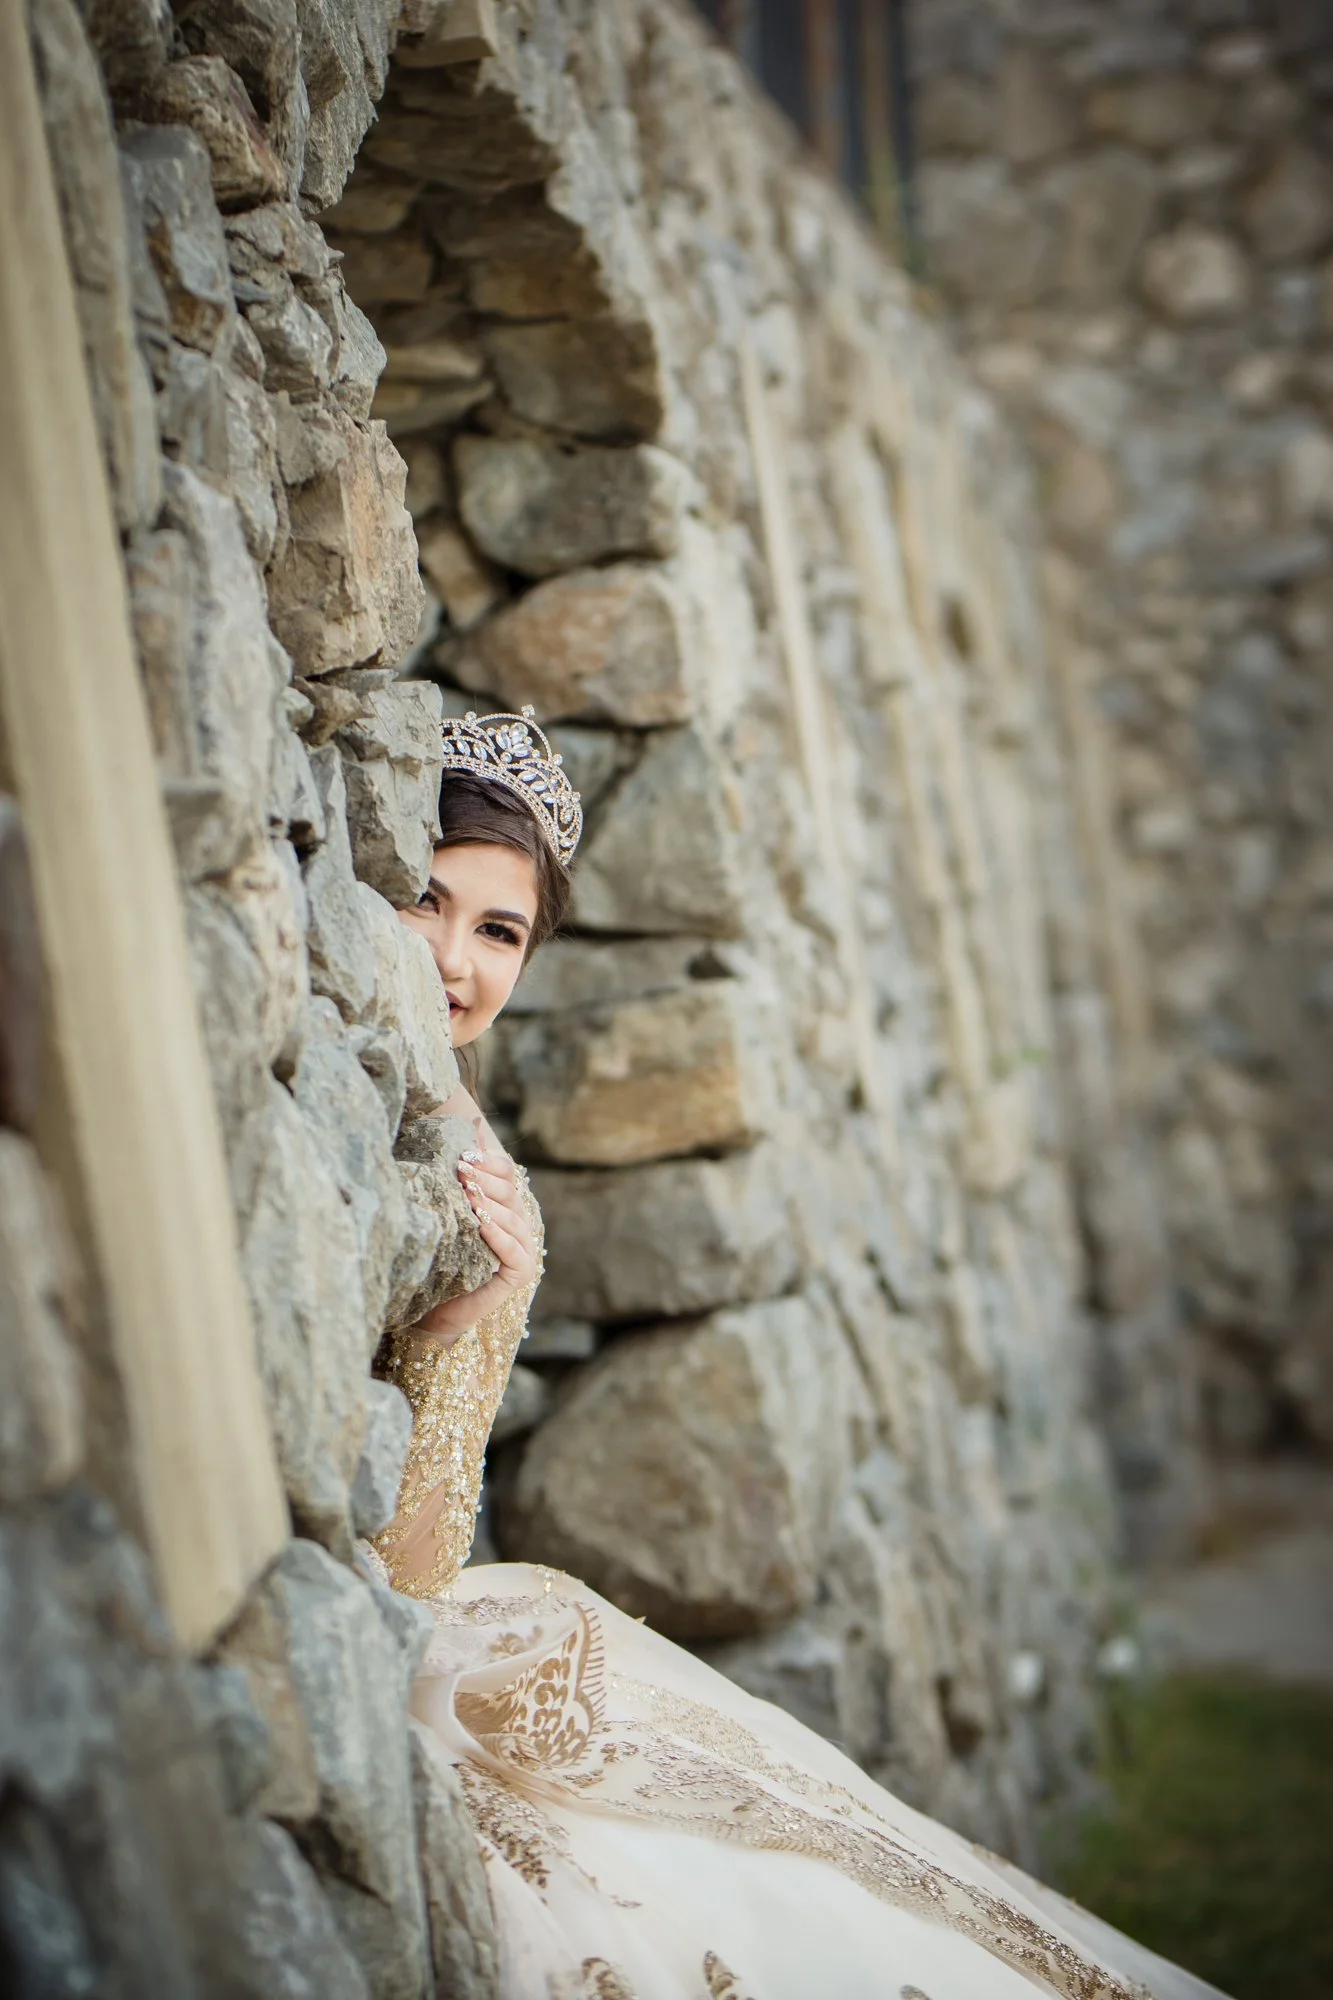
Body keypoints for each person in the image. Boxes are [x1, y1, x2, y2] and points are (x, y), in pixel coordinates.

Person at [362, 709, 1227, 2000]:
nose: (455, 960)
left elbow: (416, 1568)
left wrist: (477, 1315)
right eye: (428, 901)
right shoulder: (390, 1103)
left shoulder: (490, 1194)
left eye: (501, 932)